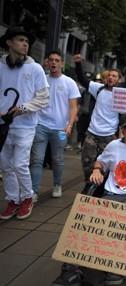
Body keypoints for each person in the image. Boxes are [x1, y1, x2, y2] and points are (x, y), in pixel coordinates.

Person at [52, 111, 126, 286]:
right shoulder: (113, 146)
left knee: (122, 219)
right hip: (111, 193)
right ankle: (72, 269)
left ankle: (115, 266)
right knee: (86, 219)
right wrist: (97, 170)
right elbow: (100, 162)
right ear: (121, 130)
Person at [0, 26, 49, 220]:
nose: (25, 44)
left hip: (25, 125)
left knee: (20, 163)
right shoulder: (0, 65)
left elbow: (43, 98)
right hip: (3, 125)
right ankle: (13, 199)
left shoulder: (35, 68)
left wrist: (23, 108)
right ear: (9, 43)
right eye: (20, 40)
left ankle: (27, 196)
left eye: (27, 42)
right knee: (5, 165)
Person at [30, 50, 80, 201]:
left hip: (60, 128)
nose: (53, 63)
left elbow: (73, 107)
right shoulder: (41, 80)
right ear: (46, 62)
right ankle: (34, 191)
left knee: (57, 159)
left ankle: (57, 185)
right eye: (51, 60)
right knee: (37, 159)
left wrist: (69, 125)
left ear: (62, 63)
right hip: (41, 125)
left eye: (57, 60)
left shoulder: (69, 82)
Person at [73, 53, 122, 182]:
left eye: (114, 76)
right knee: (87, 164)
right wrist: (78, 64)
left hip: (109, 136)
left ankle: (100, 190)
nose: (111, 78)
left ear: (119, 80)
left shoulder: (122, 95)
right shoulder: (98, 89)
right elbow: (83, 79)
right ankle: (89, 186)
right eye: (109, 75)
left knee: (105, 167)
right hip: (92, 133)